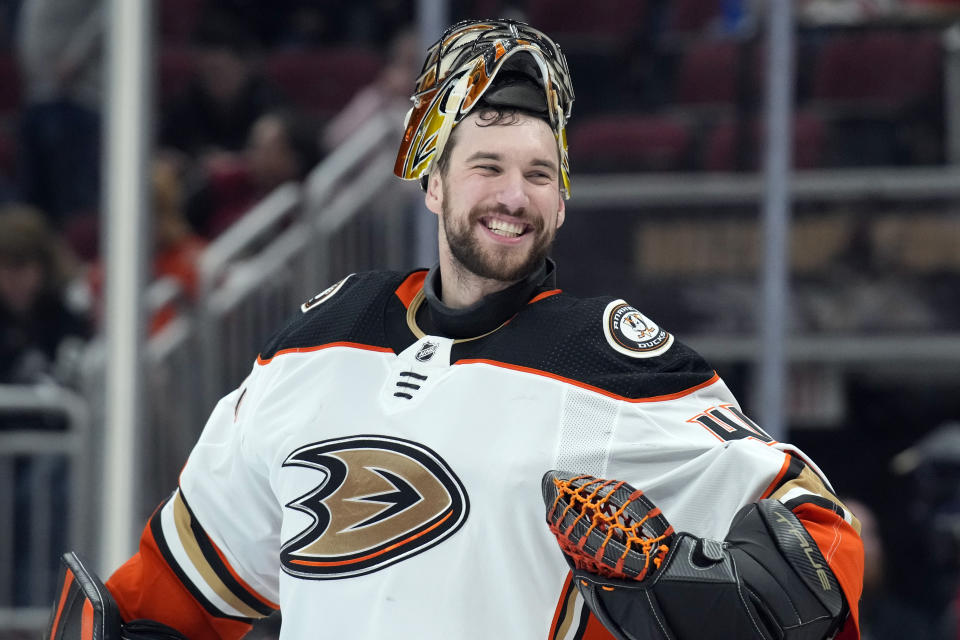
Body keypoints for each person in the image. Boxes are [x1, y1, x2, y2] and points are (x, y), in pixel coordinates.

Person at [45, 19, 864, 640]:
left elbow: (820, 546)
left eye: (540, 173)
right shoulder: (317, 341)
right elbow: (180, 587)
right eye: (487, 167)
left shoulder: (610, 360)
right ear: (433, 183)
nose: (514, 194)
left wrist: (696, 586)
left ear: (563, 199)